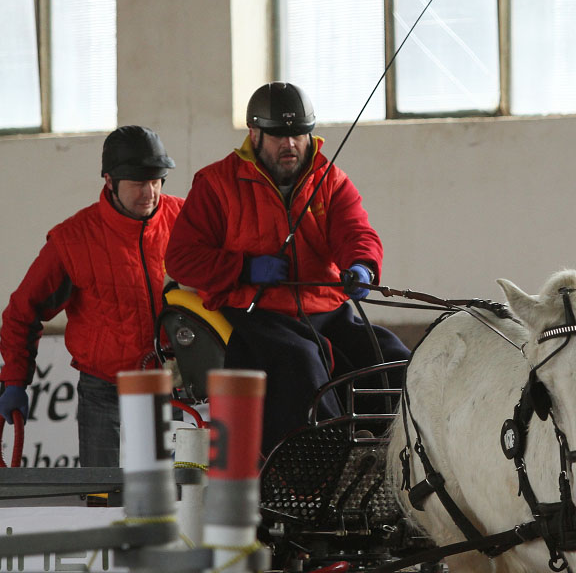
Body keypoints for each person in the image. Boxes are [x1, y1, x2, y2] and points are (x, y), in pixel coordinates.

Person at [165, 82, 409, 453]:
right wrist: (244, 269)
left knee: (391, 355)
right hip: (256, 313)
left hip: (325, 307)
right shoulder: (215, 184)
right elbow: (181, 258)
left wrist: (362, 266)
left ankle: (390, 456)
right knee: (300, 362)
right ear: (254, 134)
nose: (290, 143)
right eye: (278, 135)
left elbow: (356, 232)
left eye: (298, 133)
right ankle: (324, 464)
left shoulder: (332, 181)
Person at [0, 126, 182, 466]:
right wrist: (14, 380)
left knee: (174, 495)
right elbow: (22, 310)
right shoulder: (73, 241)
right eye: (138, 182)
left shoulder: (186, 223)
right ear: (110, 181)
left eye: (156, 181)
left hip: (172, 385)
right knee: (101, 492)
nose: (150, 192)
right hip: (103, 389)